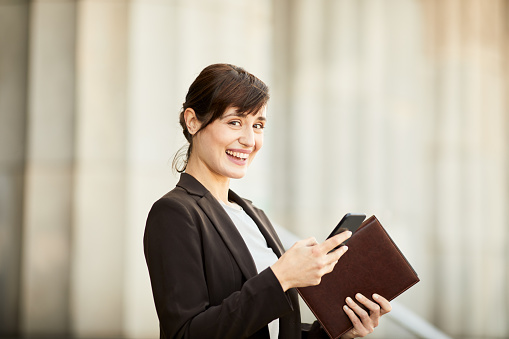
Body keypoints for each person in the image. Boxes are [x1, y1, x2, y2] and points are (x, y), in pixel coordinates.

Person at [144, 63, 392, 339]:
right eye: (234, 122)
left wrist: (336, 332)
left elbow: (271, 331)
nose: (249, 140)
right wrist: (280, 277)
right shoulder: (175, 213)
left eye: (258, 125)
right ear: (193, 121)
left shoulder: (253, 214)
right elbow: (186, 334)